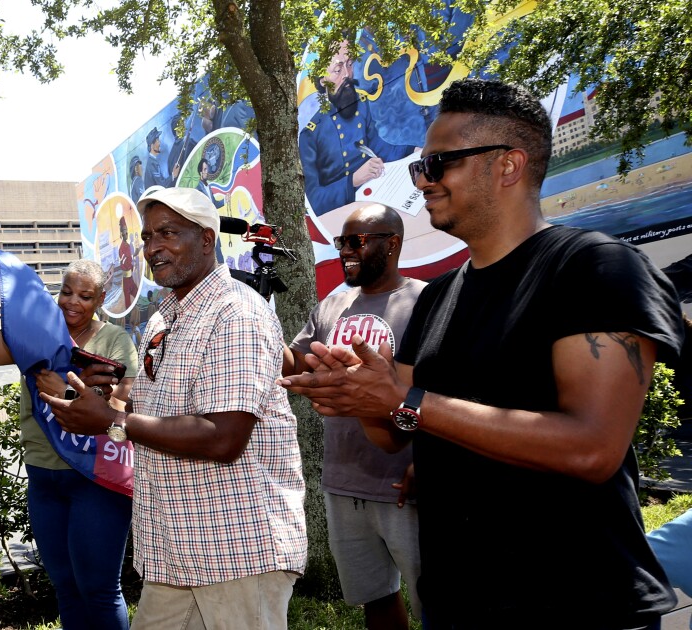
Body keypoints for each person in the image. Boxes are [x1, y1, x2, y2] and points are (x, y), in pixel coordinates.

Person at [282, 78, 683, 627]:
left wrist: (407, 399)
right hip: (457, 603)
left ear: (508, 165)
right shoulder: (439, 297)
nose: (422, 180)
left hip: (579, 606)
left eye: (439, 163)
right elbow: (396, 430)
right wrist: (359, 394)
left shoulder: (595, 269)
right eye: (421, 166)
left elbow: (592, 448)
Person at [44, 187, 306, 629]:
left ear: (207, 239)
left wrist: (112, 421)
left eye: (168, 233)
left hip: (237, 551)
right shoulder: (165, 316)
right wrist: (101, 402)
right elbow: (155, 413)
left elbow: (223, 437)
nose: (153, 247)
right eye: (148, 237)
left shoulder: (237, 314)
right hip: (173, 552)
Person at [0, 257, 138, 630]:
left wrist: (70, 392)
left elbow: (120, 413)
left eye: (85, 296)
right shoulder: (36, 335)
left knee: (99, 589)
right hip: (44, 477)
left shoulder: (115, 342)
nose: (72, 302)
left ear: (101, 298)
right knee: (66, 588)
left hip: (94, 478)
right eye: (66, 292)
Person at [282, 202, 423, 629]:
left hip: (407, 485)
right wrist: (257, 317)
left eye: (355, 241)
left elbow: (445, 391)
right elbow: (295, 362)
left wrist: (430, 459)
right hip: (344, 483)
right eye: (341, 241)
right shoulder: (333, 305)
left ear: (392, 243)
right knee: (376, 600)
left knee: (439, 605)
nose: (344, 250)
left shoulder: (425, 300)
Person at [299, 41, 416, 217]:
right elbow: (314, 200)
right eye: (338, 70)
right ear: (323, 80)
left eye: (350, 64)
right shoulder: (311, 134)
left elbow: (380, 148)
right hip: (342, 213)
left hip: (374, 195)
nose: (347, 74)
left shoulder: (361, 105)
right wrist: (352, 180)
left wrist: (414, 151)